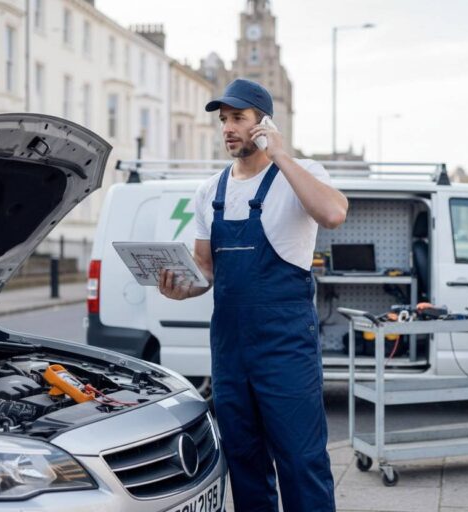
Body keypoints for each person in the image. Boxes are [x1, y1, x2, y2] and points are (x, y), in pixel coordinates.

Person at [158, 78, 346, 511]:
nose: (227, 128)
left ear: (263, 124)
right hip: (230, 347)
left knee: (301, 460)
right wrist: (178, 289)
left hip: (285, 345)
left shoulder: (302, 174)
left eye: (238, 118)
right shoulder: (210, 191)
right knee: (243, 460)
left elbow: (334, 213)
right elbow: (204, 270)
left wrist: (280, 154)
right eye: (223, 120)